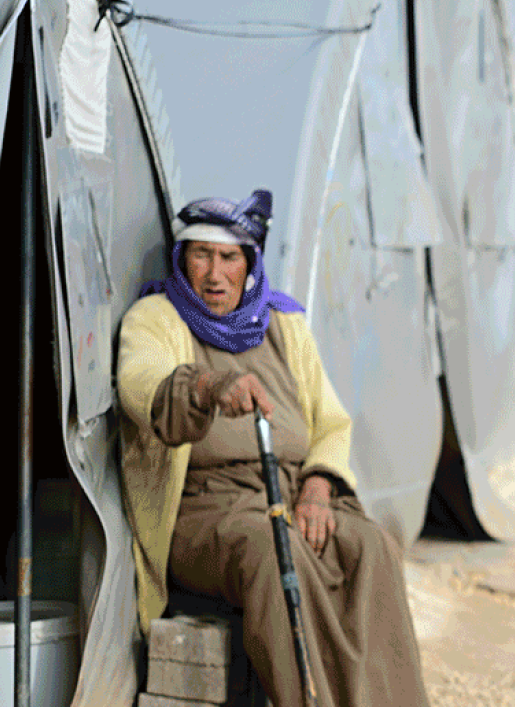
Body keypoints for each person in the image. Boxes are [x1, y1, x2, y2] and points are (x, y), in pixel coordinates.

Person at [116, 190, 429, 707]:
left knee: (370, 546)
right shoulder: (156, 318)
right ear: (181, 259)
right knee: (272, 550)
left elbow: (331, 422)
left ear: (250, 264)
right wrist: (209, 386)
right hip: (205, 510)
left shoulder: (283, 324)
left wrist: (317, 487)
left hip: (292, 494)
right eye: (201, 255)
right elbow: (140, 382)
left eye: (229, 258)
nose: (214, 274)